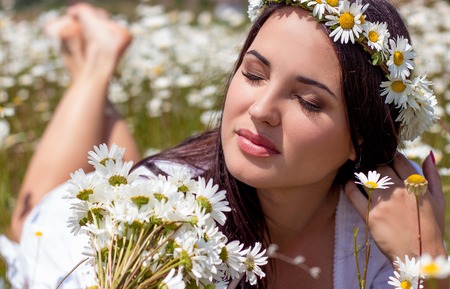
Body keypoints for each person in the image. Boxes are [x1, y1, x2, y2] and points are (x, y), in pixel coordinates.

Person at [0, 1, 447, 289]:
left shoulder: (386, 239)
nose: (261, 108)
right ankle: (96, 65)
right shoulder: (162, 228)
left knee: (137, 170)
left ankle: (103, 95)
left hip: (167, 182)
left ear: (362, 137)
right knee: (29, 218)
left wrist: (428, 265)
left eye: (309, 101)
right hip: (113, 221)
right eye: (254, 75)